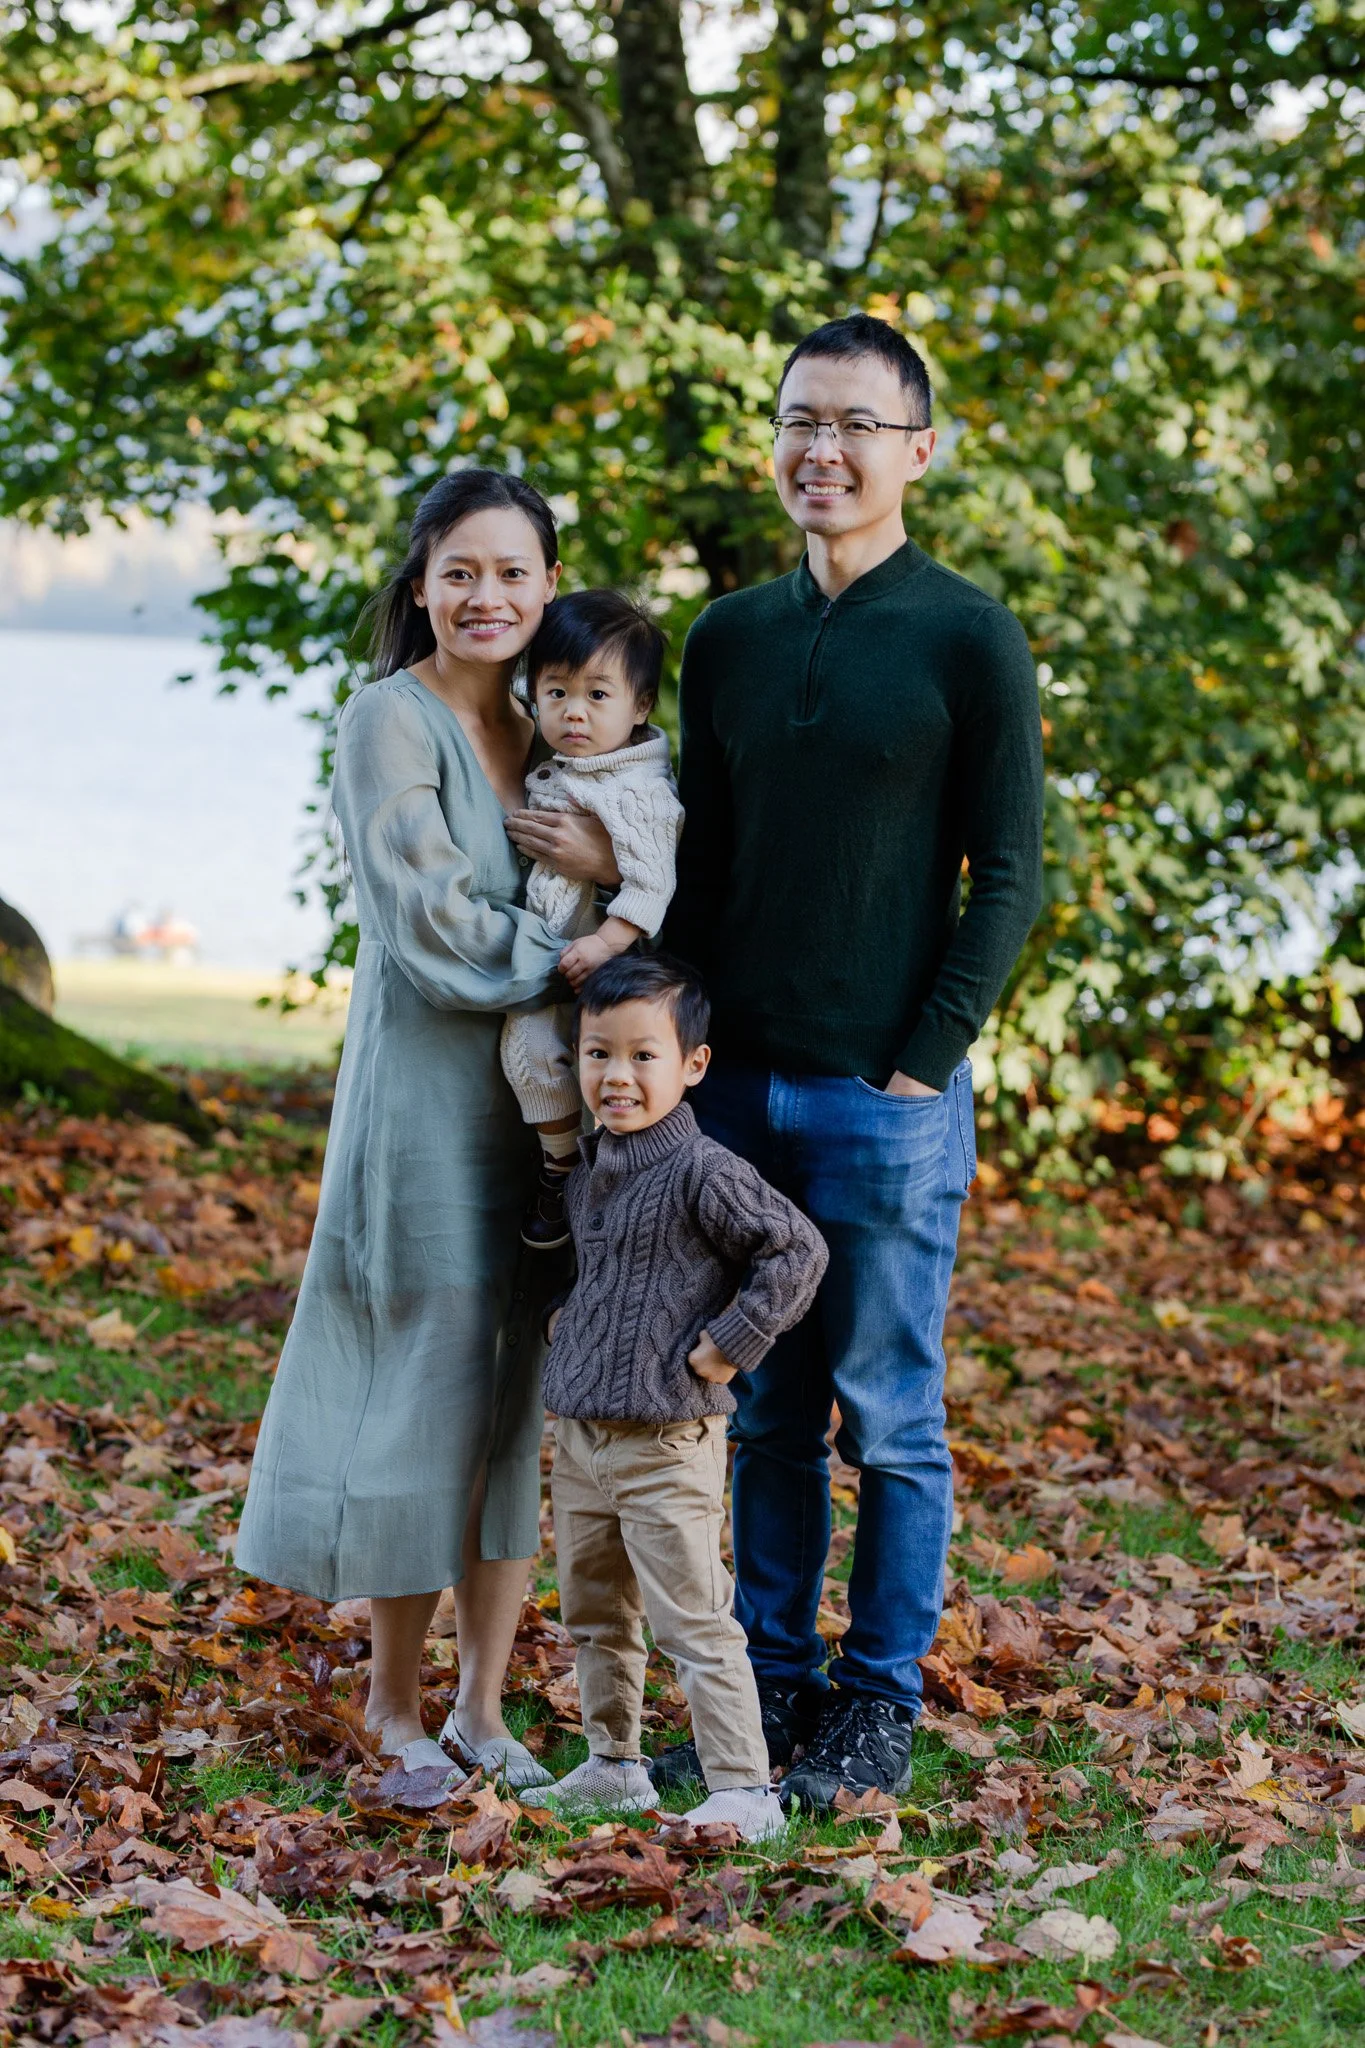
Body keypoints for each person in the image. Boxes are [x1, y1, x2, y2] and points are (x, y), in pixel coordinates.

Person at [661, 312, 1045, 1810]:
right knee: (762, 1406)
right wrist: (672, 1039)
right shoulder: (730, 639)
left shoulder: (967, 635)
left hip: (882, 1099)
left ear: (918, 453)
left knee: (888, 1416)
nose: (820, 451)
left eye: (856, 427)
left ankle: (875, 1705)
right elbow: (701, 862)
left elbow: (1007, 873)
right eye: (798, 421)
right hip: (739, 1091)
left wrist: (920, 1061)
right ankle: (768, 1678)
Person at [236, 469, 620, 1792]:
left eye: (512, 572)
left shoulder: (563, 732)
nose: (486, 595)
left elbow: (636, 886)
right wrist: (581, 949)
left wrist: (616, 913)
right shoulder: (385, 725)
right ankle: (394, 1709)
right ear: (420, 586)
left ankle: (484, 1712)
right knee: (429, 1392)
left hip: (550, 1118)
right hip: (421, 1112)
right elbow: (434, 931)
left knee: (518, 1404)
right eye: (460, 570)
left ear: (549, 587)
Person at [538, 953, 828, 1841]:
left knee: (693, 1618)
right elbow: (610, 1274)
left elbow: (796, 1250)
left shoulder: (703, 1169)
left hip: (667, 1440)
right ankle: (614, 1764)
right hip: (584, 1436)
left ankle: (743, 1788)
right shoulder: (592, 1165)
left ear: (691, 1065)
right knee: (594, 1611)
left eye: (641, 1056)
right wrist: (568, 1323)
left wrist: (731, 1345)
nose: (615, 1076)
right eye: (597, 1055)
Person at [500, 590, 682, 1249]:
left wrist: (610, 940)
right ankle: (562, 1164)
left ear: (638, 707)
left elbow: (653, 877)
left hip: (606, 963)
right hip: (555, 954)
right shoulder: (567, 764)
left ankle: (586, 1172)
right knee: (532, 1050)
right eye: (556, 693)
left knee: (596, 1062)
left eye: (597, 696)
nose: (573, 712)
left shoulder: (635, 788)